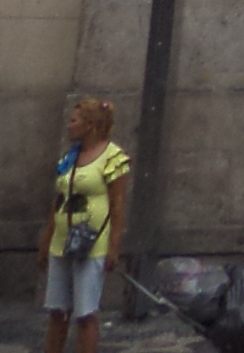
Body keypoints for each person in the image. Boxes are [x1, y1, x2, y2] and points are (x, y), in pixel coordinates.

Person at [36, 97, 129, 353]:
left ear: (89, 124)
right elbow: (58, 200)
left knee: (85, 313)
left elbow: (118, 205)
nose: (69, 126)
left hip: (91, 244)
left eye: (74, 121)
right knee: (57, 310)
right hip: (62, 242)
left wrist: (113, 246)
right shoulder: (70, 158)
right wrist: (46, 239)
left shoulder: (113, 157)